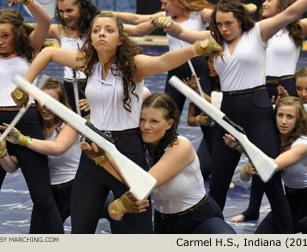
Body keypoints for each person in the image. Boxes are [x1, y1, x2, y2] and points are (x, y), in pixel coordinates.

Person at [22, 12, 221, 233]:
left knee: (137, 232)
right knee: (80, 228)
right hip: (93, 150)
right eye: (96, 30)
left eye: (109, 30)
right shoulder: (89, 63)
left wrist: (194, 49)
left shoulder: (133, 66)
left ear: (120, 39)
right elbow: (48, 53)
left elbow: (162, 61)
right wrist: (24, 86)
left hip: (127, 151)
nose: (101, 34)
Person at [157, 0, 307, 233]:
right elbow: (181, 32)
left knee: (270, 179)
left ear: (240, 21)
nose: (223, 28)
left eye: (228, 23)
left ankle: (288, 235)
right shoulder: (214, 40)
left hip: (258, 109)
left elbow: (293, 12)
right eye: (219, 24)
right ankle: (217, 236)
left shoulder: (257, 32)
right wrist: (167, 24)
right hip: (229, 112)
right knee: (219, 182)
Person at [84, 93, 236, 234]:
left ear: (169, 124)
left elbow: (146, 183)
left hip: (201, 219)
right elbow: (126, 178)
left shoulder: (181, 146)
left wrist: (104, 160)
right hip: (165, 223)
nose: (146, 126)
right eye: (142, 120)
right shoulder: (138, 149)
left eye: (154, 121)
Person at [0, 78, 124, 233]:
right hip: (47, 195)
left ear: (61, 103)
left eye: (51, 102)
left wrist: (22, 140)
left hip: (77, 189)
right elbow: (12, 167)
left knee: (119, 214)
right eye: (41, 101)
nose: (45, 107)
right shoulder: (31, 128)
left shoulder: (70, 122)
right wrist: (1, 153)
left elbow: (57, 148)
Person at [0, 0, 64, 234]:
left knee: (42, 197)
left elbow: (45, 21)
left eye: (5, 36)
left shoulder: (31, 49)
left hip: (26, 122)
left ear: (17, 34)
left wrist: (27, 1)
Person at [225, 96, 307, 233]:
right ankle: (301, 224)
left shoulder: (303, 144)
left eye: (289, 117)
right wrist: (242, 149)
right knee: (261, 237)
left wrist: (244, 149)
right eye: (280, 115)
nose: (283, 121)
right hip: (292, 197)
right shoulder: (273, 140)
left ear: (298, 120)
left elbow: (273, 165)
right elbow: (245, 176)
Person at [47, 0, 99, 115]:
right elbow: (39, 24)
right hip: (69, 85)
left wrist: (149, 22)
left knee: (93, 126)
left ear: (82, 8)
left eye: (70, 10)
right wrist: (28, 3)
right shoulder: (59, 30)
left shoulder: (96, 30)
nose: (65, 16)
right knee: (73, 126)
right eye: (61, 11)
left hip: (92, 84)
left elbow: (137, 29)